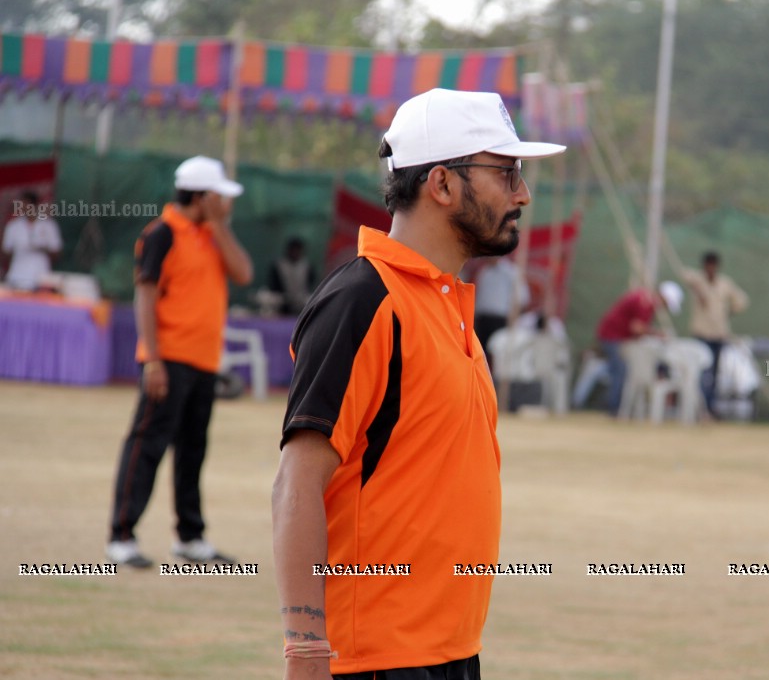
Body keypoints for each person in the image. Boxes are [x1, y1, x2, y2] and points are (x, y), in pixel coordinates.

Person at [271, 88, 565, 680]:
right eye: (506, 173)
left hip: (449, 651)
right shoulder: (363, 300)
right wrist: (306, 653)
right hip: (379, 659)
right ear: (442, 183)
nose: (523, 194)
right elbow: (295, 485)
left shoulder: (446, 304)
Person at [106, 156, 254, 568]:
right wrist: (152, 360)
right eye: (221, 197)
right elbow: (146, 296)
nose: (227, 204)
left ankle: (190, 537)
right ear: (203, 196)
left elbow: (243, 273)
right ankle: (121, 535)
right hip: (167, 359)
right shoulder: (162, 233)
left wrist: (218, 225)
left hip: (204, 362)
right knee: (147, 445)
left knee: (193, 449)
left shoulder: (212, 233)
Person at [595, 280, 684, 416]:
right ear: (664, 297)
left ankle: (617, 407)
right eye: (667, 304)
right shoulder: (646, 303)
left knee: (619, 370)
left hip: (615, 336)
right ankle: (614, 408)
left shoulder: (645, 299)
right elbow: (637, 328)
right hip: (613, 337)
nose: (665, 308)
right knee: (620, 370)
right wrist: (658, 335)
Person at [678, 251, 748, 418]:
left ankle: (709, 407)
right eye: (707, 265)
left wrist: (727, 313)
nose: (710, 268)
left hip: (719, 334)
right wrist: (697, 288)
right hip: (701, 334)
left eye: (713, 265)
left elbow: (741, 301)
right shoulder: (697, 279)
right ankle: (699, 408)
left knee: (714, 374)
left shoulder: (724, 284)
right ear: (704, 266)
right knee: (701, 372)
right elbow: (684, 273)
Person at [473, 256, 530, 368]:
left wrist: (512, 321)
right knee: (480, 353)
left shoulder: (511, 272)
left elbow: (521, 299)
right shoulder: (484, 272)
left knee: (497, 353)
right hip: (483, 319)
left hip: (500, 320)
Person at [1, 191, 63, 290]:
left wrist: (43, 249)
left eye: (26, 204)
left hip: (40, 278)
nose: (23, 207)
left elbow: (57, 253)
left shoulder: (48, 225)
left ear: (34, 205)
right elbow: (6, 252)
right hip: (16, 277)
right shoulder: (13, 226)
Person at [268, 236, 318, 316]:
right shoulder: (278, 266)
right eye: (293, 250)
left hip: (303, 306)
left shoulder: (308, 266)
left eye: (298, 250)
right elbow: (274, 287)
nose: (295, 252)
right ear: (288, 250)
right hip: (282, 307)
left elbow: (311, 284)